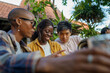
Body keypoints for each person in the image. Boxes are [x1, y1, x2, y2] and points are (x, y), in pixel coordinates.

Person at [1, 8, 110, 73]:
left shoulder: (25, 48)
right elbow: (3, 63)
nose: (34, 27)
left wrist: (50, 60)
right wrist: (47, 63)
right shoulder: (2, 36)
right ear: (19, 21)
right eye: (32, 23)